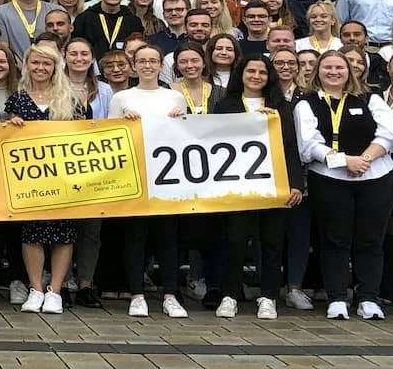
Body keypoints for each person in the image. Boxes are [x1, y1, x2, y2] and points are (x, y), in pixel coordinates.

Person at [295, 48, 393, 321]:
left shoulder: (371, 98)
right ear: (317, 72)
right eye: (327, 67)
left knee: (371, 241)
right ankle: (337, 297)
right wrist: (345, 161)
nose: (334, 72)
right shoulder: (306, 103)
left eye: (339, 67)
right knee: (334, 241)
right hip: (330, 179)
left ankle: (368, 297)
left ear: (351, 70)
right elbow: (309, 144)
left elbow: (389, 135)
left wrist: (363, 159)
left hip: (376, 177)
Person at [208, 55, 302, 319]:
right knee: (235, 240)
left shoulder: (280, 106)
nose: (256, 76)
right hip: (237, 184)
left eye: (262, 72)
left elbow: (291, 147)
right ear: (242, 73)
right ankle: (230, 295)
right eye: (251, 70)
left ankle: (269, 296)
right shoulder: (226, 105)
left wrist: (296, 183)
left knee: (272, 242)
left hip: (273, 184)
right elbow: (213, 142)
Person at [5, 42, 89, 315]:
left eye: (46, 63)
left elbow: (83, 136)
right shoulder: (16, 98)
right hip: (29, 179)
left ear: (55, 67)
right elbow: (4, 138)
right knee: (32, 234)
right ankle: (35, 288)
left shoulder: (71, 99)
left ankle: (54, 290)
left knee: (64, 234)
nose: (41, 68)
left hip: (64, 178)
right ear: (27, 65)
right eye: (36, 63)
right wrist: (12, 126)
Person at [110, 45, 190, 318]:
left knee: (168, 238)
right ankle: (137, 295)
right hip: (135, 175)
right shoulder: (121, 97)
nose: (147, 65)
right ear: (134, 66)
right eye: (141, 61)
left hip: (168, 178)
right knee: (135, 237)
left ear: (160, 66)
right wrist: (124, 121)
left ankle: (169, 294)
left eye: (152, 61)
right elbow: (110, 137)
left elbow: (187, 135)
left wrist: (182, 120)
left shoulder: (175, 97)